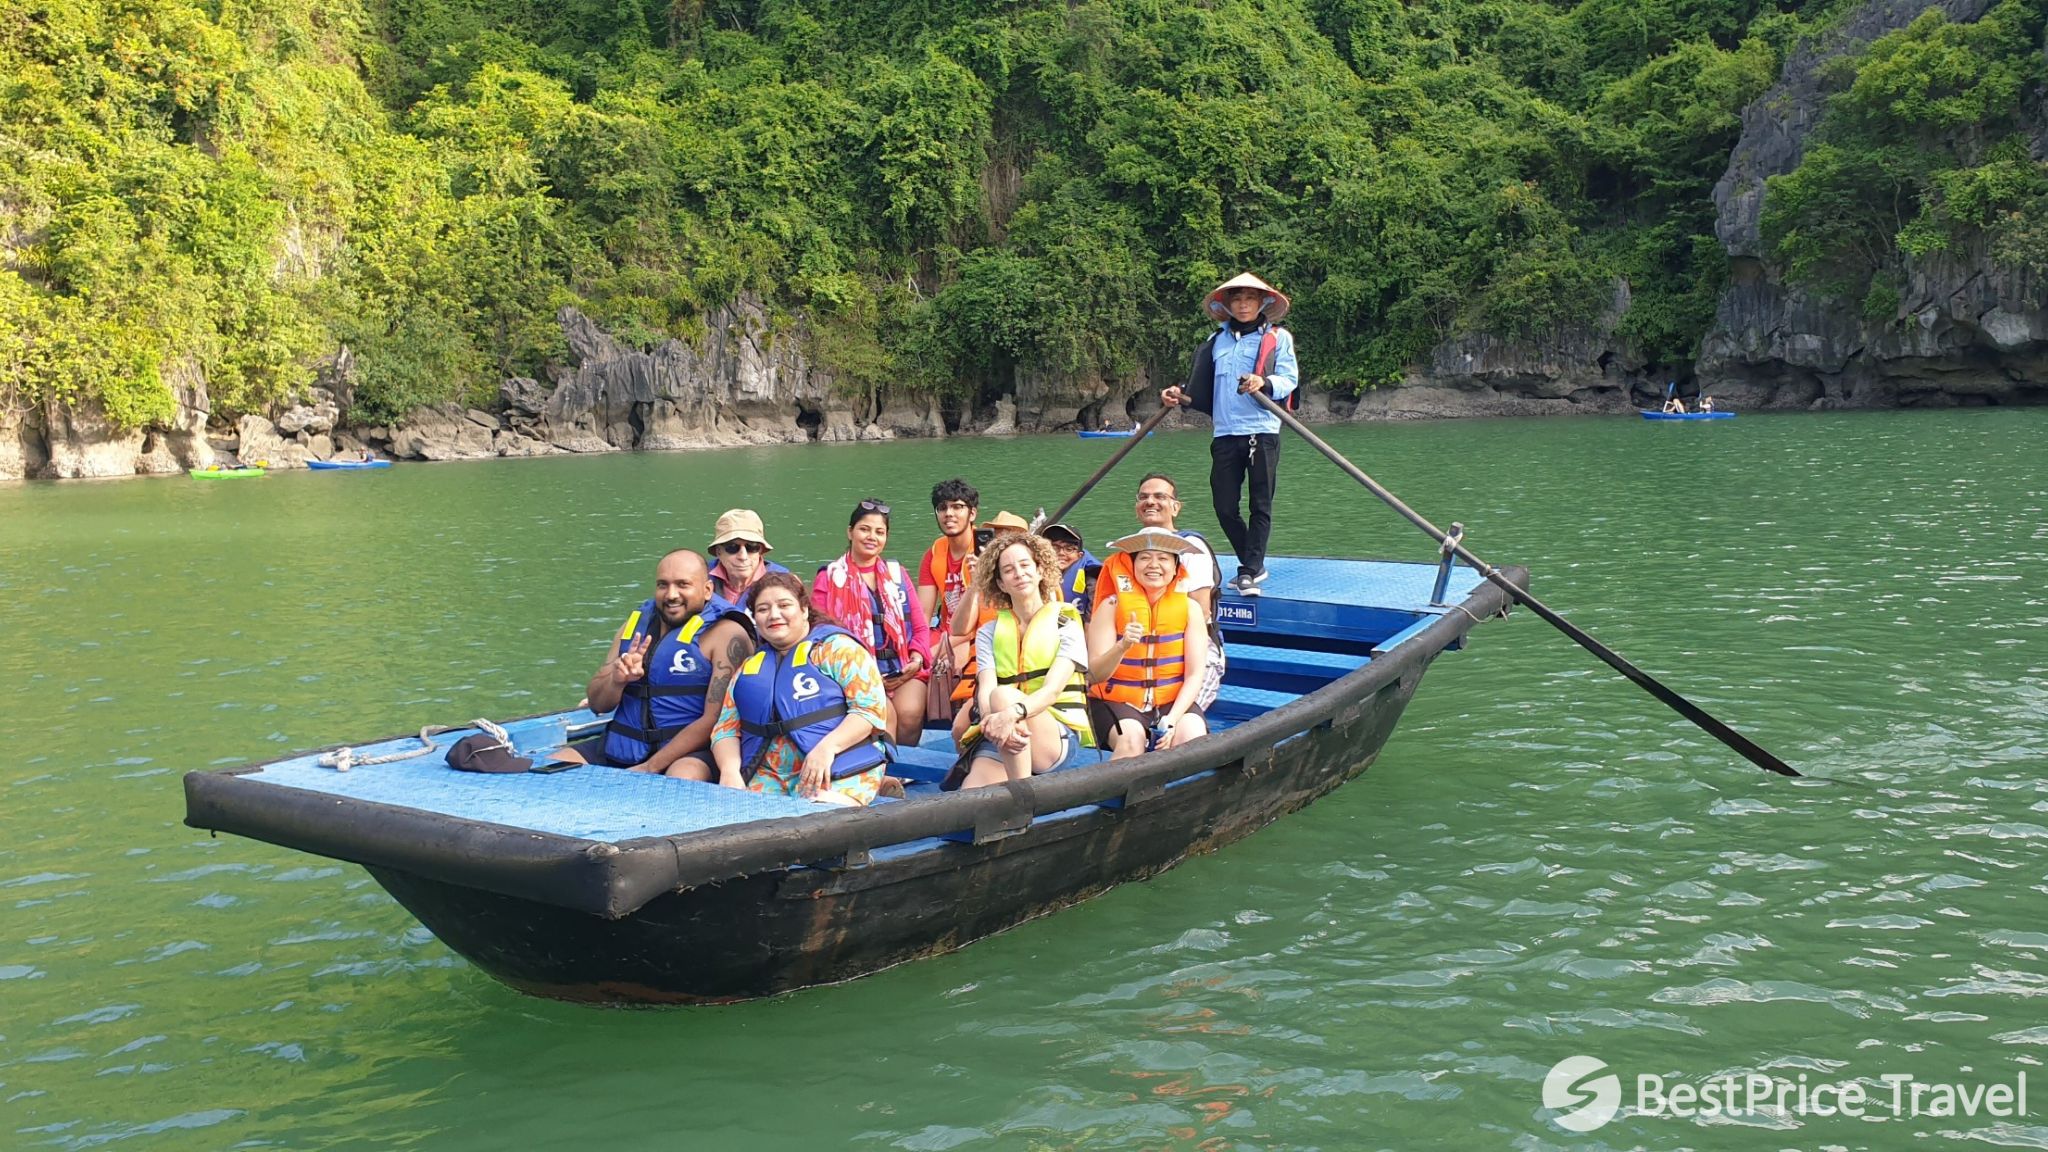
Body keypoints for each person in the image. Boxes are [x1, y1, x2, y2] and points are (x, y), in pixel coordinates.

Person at [1159, 272, 1298, 598]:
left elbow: (1288, 379)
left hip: (1261, 431)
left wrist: (1263, 382)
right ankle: (1254, 562)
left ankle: (1249, 570)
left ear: (1262, 301)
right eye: (1237, 299)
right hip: (1224, 432)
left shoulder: (1278, 338)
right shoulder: (1214, 341)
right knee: (1224, 506)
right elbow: (1198, 387)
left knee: (1260, 504)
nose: (1243, 304)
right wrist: (1176, 394)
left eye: (1250, 298)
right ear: (1227, 304)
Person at [565, 549, 755, 778]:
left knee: (682, 776)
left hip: (690, 755)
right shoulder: (633, 626)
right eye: (663, 585)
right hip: (623, 747)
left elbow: (716, 719)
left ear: (707, 590)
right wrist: (617, 680)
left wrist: (650, 767)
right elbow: (597, 704)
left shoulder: (728, 635)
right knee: (553, 767)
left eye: (683, 585)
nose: (671, 594)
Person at [710, 573, 890, 806]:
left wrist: (827, 748)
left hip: (835, 768)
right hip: (770, 775)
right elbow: (724, 730)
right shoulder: (749, 668)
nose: (774, 615)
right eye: (763, 609)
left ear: (804, 610)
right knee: (739, 815)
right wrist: (730, 771)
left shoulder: (838, 650)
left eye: (784, 605)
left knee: (817, 812)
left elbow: (869, 711)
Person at [958, 533, 1094, 788]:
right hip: (1002, 730)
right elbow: (985, 690)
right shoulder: (989, 632)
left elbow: (1052, 691)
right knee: (970, 792)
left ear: (1040, 570)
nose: (1019, 574)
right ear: (1000, 583)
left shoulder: (1066, 623)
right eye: (1008, 570)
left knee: (1003, 696)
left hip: (1052, 736)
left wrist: (1012, 714)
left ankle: (1023, 797)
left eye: (1025, 565)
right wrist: (994, 722)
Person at [1096, 473, 1227, 712]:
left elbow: (1202, 610)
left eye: (1160, 496)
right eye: (1144, 497)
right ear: (1137, 508)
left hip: (1189, 644)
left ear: (1175, 507)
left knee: (1186, 716)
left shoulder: (1191, 550)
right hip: (1134, 642)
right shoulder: (1129, 552)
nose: (1151, 502)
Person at [813, 498, 933, 745]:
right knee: (884, 714)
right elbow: (819, 637)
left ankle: (902, 772)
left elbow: (920, 627)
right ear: (850, 532)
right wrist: (864, 674)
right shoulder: (829, 578)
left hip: (903, 666)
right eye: (864, 529)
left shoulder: (897, 574)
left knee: (910, 713)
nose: (872, 537)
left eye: (879, 532)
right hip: (856, 672)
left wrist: (917, 659)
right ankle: (881, 773)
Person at [1086, 530, 1211, 759]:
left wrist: (1172, 719)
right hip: (1117, 701)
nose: (1153, 565)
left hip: (1170, 702)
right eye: (1144, 557)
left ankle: (1184, 793)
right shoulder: (1111, 606)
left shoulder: (1190, 609)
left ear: (1175, 568)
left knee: (1192, 738)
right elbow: (1094, 674)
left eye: (1163, 558)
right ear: (1132, 566)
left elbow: (1195, 675)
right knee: (1132, 741)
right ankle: (1111, 793)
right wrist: (1122, 646)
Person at [917, 479, 981, 676]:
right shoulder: (934, 553)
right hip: (946, 631)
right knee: (912, 661)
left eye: (957, 507)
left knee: (947, 667)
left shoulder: (986, 551)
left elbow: (986, 620)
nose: (949, 514)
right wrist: (919, 650)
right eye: (942, 508)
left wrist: (938, 649)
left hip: (979, 632)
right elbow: (923, 613)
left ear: (972, 513)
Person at [707, 508, 789, 603]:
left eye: (752, 547)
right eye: (732, 547)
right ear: (718, 552)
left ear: (760, 550)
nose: (743, 556)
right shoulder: (702, 578)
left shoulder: (784, 581)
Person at [1040, 522, 1100, 618]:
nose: (1061, 553)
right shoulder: (1033, 573)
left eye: (1069, 549)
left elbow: (1094, 613)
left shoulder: (1091, 576)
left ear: (1079, 555)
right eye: (1055, 547)